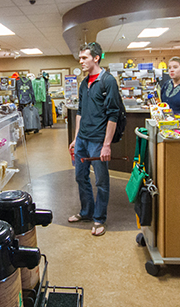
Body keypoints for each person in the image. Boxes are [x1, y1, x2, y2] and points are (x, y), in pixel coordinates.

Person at [68, 42, 122, 237]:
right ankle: (86, 212)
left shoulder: (108, 81)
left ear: (96, 58)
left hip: (98, 141)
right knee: (80, 176)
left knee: (101, 181)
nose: (80, 61)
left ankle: (99, 218)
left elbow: (113, 115)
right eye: (80, 58)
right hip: (82, 139)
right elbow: (80, 112)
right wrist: (75, 138)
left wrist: (106, 145)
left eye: (84, 58)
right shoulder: (84, 83)